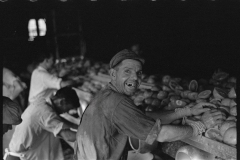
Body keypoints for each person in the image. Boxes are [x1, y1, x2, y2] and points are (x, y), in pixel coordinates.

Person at [75, 49, 222, 160]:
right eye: (127, 71)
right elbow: (161, 134)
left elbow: (145, 117)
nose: (135, 77)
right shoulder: (117, 102)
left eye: (138, 73)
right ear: (113, 74)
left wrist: (186, 111)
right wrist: (200, 125)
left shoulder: (107, 94)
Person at [9, 87, 80, 160]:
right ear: (62, 102)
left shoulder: (42, 102)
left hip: (21, 154)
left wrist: (79, 127)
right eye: (67, 109)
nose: (65, 112)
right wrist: (87, 136)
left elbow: (60, 121)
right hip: (20, 157)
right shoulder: (46, 113)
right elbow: (68, 136)